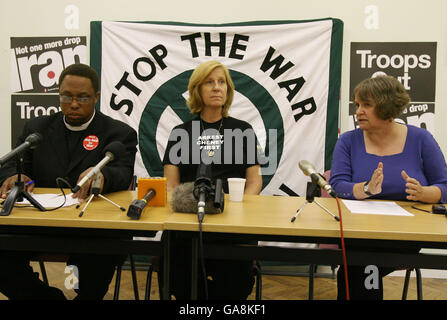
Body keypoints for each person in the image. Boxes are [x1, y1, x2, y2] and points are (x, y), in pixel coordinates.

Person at [0, 63, 138, 299]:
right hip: (41, 224)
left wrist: (102, 176)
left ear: (96, 97)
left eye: (82, 97)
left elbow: (122, 173)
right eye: (67, 96)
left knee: (94, 265)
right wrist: (15, 175)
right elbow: (14, 162)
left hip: (92, 228)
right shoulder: (37, 129)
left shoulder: (118, 133)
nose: (73, 104)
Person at [329, 75, 447, 299]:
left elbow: (445, 185)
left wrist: (424, 193)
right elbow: (337, 185)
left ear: (387, 107)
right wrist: (366, 189)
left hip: (404, 234)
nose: (359, 111)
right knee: (360, 262)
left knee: (358, 265)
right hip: (359, 232)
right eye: (357, 105)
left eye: (367, 105)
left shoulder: (421, 139)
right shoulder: (348, 141)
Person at [162, 60, 263, 299]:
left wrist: (238, 212)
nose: (217, 88)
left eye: (222, 82)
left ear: (228, 90)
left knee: (235, 284)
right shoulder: (180, 132)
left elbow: (255, 181)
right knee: (179, 280)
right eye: (209, 82)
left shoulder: (243, 130)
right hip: (188, 223)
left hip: (233, 224)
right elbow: (171, 185)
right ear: (197, 89)